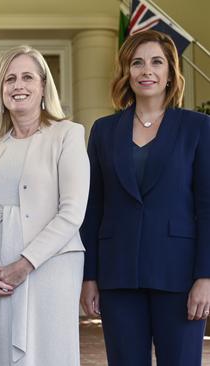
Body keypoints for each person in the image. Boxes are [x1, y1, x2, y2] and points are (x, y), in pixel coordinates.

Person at [80, 29, 210, 366]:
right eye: (137, 63)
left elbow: (207, 207)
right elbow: (93, 208)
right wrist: (89, 276)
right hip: (118, 274)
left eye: (156, 62)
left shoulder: (198, 128)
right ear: (126, 72)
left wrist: (206, 277)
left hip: (179, 277)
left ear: (170, 72)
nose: (146, 70)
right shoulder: (104, 130)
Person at [0, 45, 89, 366]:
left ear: (42, 87)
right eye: (10, 79)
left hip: (52, 267)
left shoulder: (68, 134)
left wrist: (25, 264)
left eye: (27, 77)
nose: (18, 86)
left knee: (47, 353)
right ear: (1, 91)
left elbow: (72, 211)